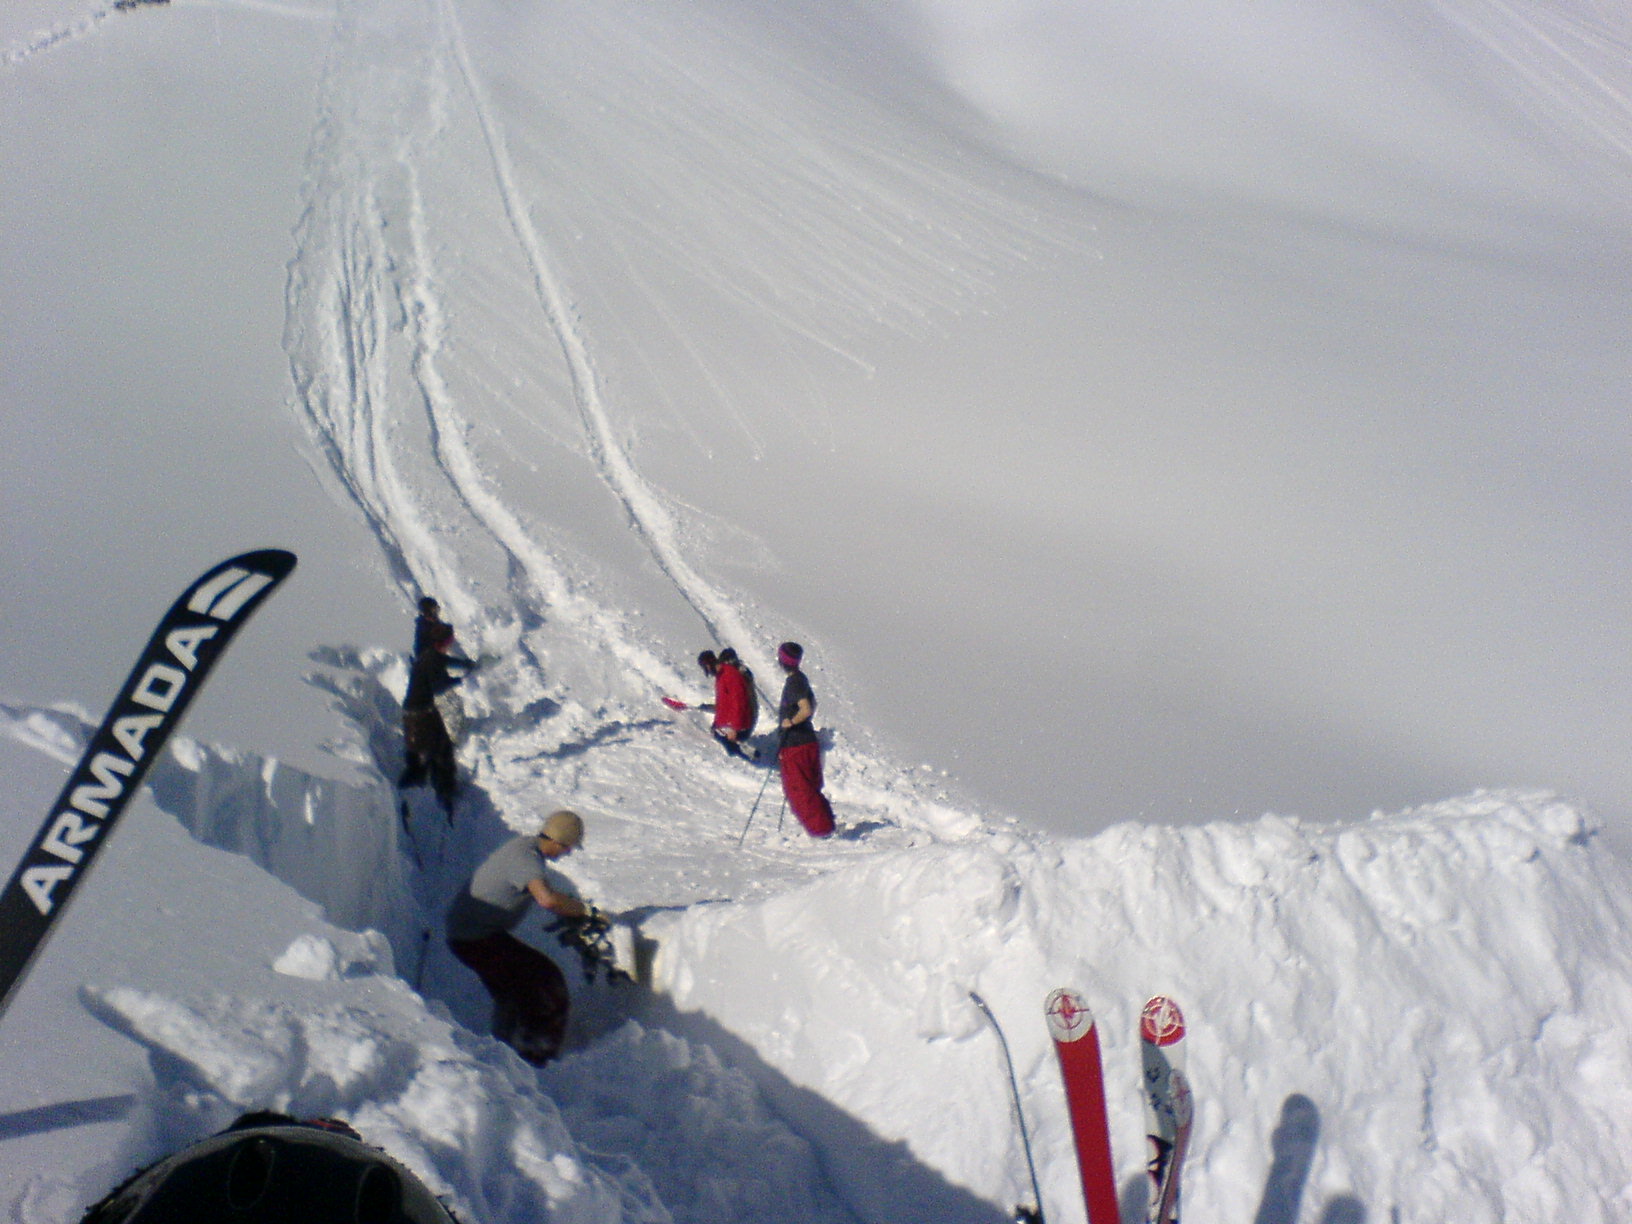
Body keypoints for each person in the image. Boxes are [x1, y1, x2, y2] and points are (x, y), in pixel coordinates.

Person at [445, 810, 592, 1065]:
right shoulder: (527, 859)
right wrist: (585, 912)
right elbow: (546, 898)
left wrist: (570, 907)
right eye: (568, 848)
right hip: (474, 938)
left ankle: (504, 1055)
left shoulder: (525, 849)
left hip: (472, 933)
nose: (567, 853)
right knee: (547, 983)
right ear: (557, 842)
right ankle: (537, 1057)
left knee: (514, 993)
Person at [399, 622, 475, 811]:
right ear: (445, 642)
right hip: (420, 715)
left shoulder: (430, 655)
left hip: (419, 712)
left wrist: (466, 664)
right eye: (450, 640)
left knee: (431, 749)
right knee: (441, 750)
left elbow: (447, 662)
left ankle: (432, 785)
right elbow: (439, 686)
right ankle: (444, 792)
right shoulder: (432, 659)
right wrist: (461, 679)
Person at [774, 641, 835, 837]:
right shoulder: (801, 679)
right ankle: (826, 826)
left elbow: (806, 708)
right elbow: (813, 704)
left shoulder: (794, 683)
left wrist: (790, 722)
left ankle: (821, 831)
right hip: (807, 742)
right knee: (810, 787)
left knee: (800, 790)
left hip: (795, 744)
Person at [697, 647, 758, 760]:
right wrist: (717, 722)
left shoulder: (730, 675)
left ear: (708, 666)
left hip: (742, 725)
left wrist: (734, 728)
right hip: (730, 723)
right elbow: (723, 705)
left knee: (730, 749)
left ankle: (745, 754)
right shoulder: (720, 677)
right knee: (716, 733)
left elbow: (739, 703)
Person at [411, 595, 448, 660]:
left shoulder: (430, 624)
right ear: (427, 613)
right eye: (434, 611)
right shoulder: (425, 627)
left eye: (436, 610)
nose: (436, 614)